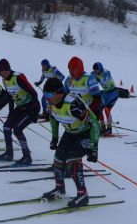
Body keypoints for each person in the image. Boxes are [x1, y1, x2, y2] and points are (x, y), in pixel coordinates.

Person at [41, 77, 100, 208]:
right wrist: (54, 137)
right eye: (45, 94)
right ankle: (59, 189)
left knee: (72, 158)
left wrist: (94, 148)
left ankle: (82, 194)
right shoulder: (50, 103)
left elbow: (95, 124)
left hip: (86, 132)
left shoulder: (72, 105)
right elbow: (53, 118)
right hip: (70, 132)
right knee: (58, 158)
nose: (47, 97)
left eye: (49, 94)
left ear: (60, 93)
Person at [0, 59, 40, 164]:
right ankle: (9, 153)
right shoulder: (5, 80)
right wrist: (11, 113)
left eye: (0, 71)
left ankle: (27, 157)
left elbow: (34, 94)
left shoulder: (18, 77)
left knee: (17, 130)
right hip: (20, 107)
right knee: (6, 127)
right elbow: (10, 98)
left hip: (31, 107)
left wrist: (31, 111)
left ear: (6, 70)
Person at [53, 57, 101, 149]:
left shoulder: (89, 78)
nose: (71, 71)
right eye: (69, 69)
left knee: (77, 148)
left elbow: (97, 99)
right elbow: (63, 96)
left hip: (86, 117)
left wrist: (92, 115)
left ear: (80, 68)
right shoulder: (68, 80)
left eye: (74, 69)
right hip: (74, 116)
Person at [91, 62, 119, 135]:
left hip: (113, 93)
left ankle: (109, 129)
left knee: (107, 110)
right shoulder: (94, 73)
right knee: (99, 109)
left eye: (96, 70)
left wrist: (96, 78)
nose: (95, 71)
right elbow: (91, 78)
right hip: (106, 93)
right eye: (94, 70)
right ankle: (103, 127)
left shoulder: (106, 72)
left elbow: (105, 81)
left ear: (100, 69)